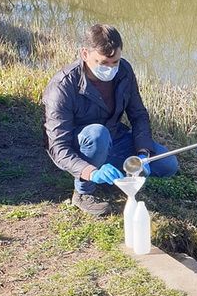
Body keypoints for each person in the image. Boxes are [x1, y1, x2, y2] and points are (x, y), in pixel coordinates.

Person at [43, 24, 178, 216]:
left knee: (168, 165)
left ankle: (117, 175)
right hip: (82, 145)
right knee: (97, 134)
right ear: (84, 54)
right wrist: (90, 171)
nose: (110, 68)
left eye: (115, 62)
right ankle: (83, 191)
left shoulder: (124, 71)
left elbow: (138, 114)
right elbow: (57, 147)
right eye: (102, 62)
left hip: (115, 136)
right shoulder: (62, 86)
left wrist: (143, 152)